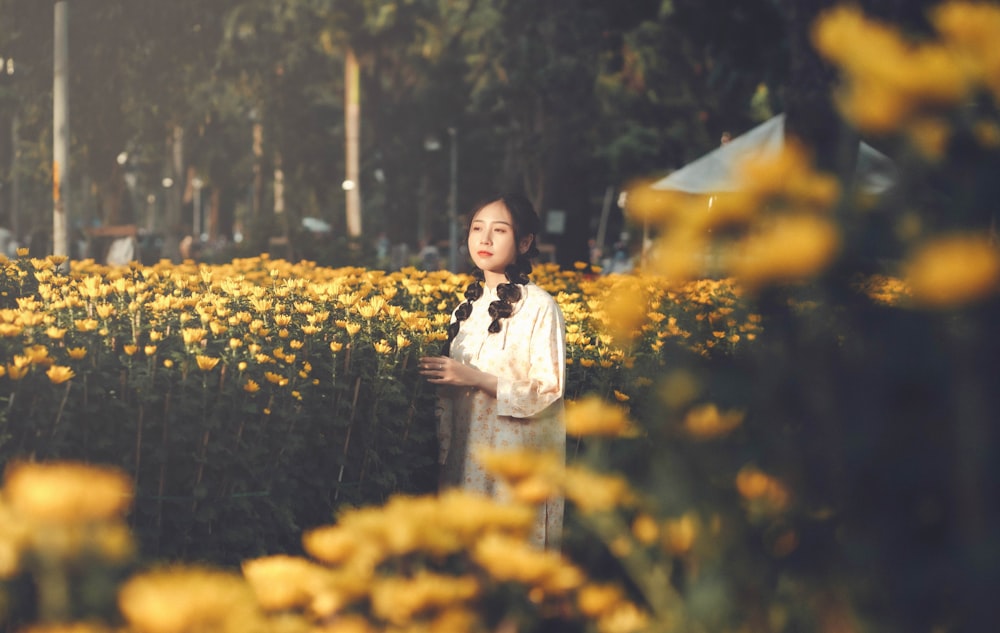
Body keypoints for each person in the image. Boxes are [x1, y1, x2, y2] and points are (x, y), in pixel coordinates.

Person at [419, 193, 566, 549]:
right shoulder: (463, 312)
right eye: (476, 229)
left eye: (499, 230)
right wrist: (444, 465)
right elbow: (447, 404)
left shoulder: (540, 308)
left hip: (515, 472)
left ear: (525, 241)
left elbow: (548, 393)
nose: (484, 240)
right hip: (464, 466)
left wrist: (475, 378)